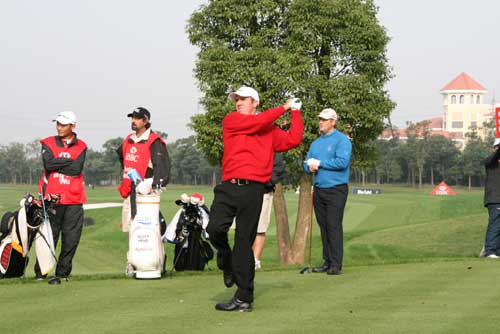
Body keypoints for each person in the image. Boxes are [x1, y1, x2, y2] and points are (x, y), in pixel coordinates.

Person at [207, 86, 303, 312]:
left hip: (253, 191)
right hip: (228, 187)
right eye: (236, 99)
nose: (238, 102)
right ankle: (225, 258)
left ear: (255, 103)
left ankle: (244, 297)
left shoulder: (268, 129)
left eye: (243, 99)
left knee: (243, 244)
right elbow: (257, 123)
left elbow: (293, 140)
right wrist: (284, 107)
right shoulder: (232, 120)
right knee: (214, 229)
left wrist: (296, 113)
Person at [35, 111, 87, 285]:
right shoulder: (48, 142)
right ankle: (40, 273)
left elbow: (76, 169)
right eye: (57, 124)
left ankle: (63, 273)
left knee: (71, 239)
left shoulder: (82, 146)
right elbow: (48, 164)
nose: (59, 127)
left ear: (73, 126)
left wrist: (59, 163)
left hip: (74, 199)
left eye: (63, 125)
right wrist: (68, 161)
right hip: (52, 198)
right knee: (49, 237)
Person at [304, 108, 352, 275]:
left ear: (333, 122)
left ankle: (336, 264)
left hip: (336, 189)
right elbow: (307, 162)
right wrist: (308, 166)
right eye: (320, 119)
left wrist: (319, 163)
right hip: (319, 189)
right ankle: (327, 261)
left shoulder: (342, 140)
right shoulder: (315, 143)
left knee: (333, 226)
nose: (321, 122)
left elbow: (342, 162)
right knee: (323, 226)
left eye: (324, 119)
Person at [116, 107, 171, 232]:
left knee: (148, 232)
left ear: (145, 121)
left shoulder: (154, 141)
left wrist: (156, 186)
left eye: (137, 118)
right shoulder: (129, 140)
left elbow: (162, 167)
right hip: (129, 192)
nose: (133, 121)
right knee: (132, 232)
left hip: (145, 194)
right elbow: (122, 157)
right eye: (132, 118)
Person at [252, 152, 285, 270]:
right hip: (245, 191)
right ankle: (246, 258)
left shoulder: (272, 146)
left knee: (260, 228)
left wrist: (267, 182)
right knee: (244, 228)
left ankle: (255, 260)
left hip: (264, 191)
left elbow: (278, 168)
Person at [483, 137, 500, 259]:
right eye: (497, 147)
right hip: (495, 199)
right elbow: (495, 157)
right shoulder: (490, 161)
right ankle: (489, 251)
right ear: (494, 148)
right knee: (495, 225)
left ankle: (497, 251)